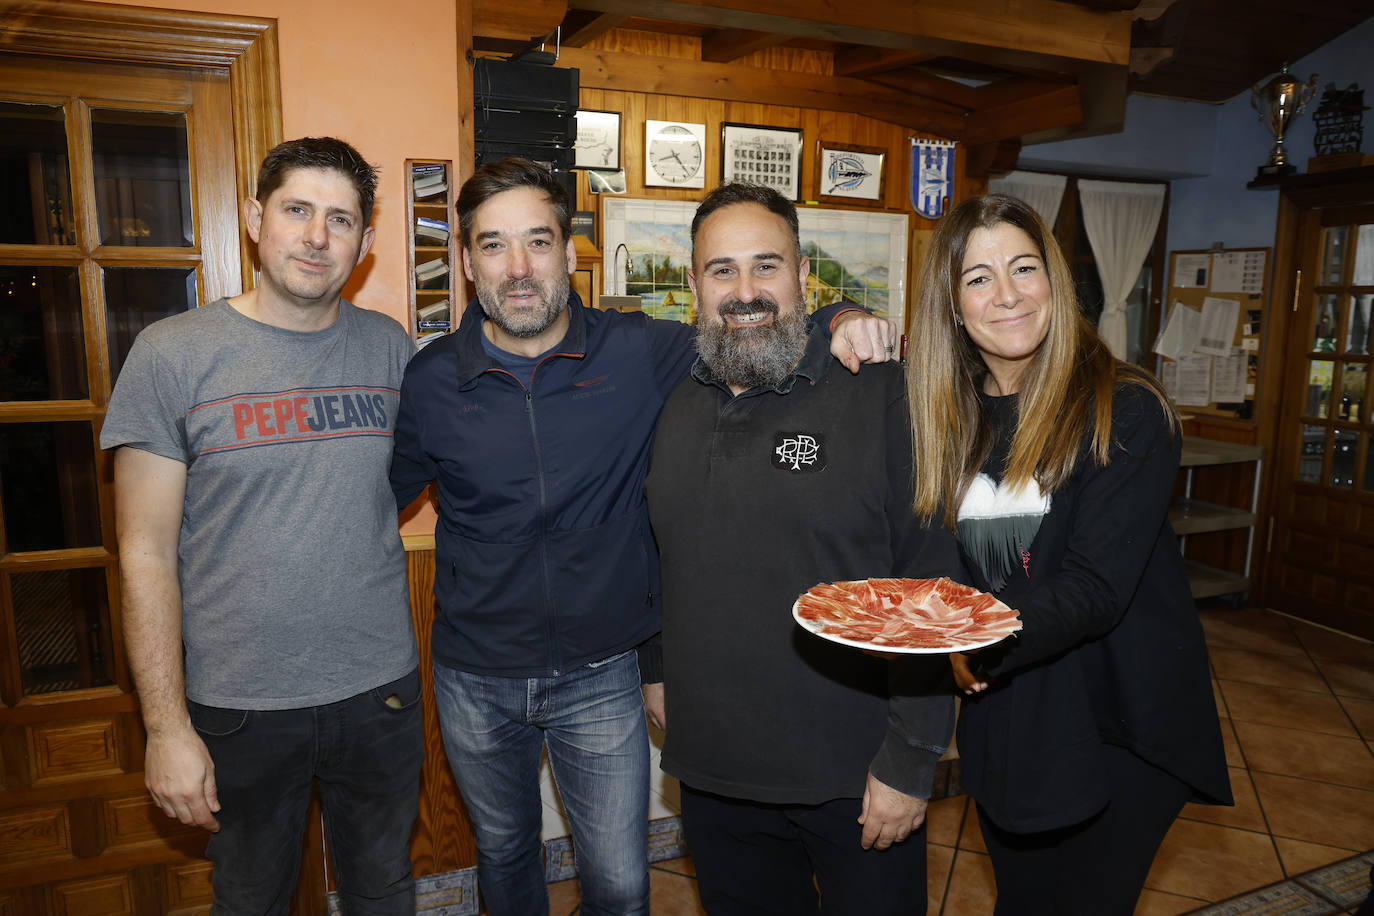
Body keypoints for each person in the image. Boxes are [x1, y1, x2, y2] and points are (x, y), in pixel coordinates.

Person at [389, 158, 894, 916]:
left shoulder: (640, 352)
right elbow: (381, 498)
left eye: (538, 241)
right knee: (502, 855)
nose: (519, 268)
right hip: (476, 675)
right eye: (494, 246)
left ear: (568, 250)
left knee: (623, 885)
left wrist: (840, 315)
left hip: (601, 672)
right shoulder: (430, 380)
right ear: (466, 262)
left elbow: (750, 319)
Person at [102, 137, 423, 915]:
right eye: (297, 210)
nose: (317, 236)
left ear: (366, 243)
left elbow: (406, 486)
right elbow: (142, 552)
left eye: (340, 219)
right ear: (255, 218)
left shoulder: (390, 350)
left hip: (378, 693)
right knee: (249, 901)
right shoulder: (171, 355)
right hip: (238, 707)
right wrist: (166, 728)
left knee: (384, 892)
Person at [905, 193, 1232, 914]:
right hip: (1012, 720)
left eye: (1025, 268)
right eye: (979, 278)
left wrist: (969, 641)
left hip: (1115, 722)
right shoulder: (952, 420)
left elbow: (1092, 587)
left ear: (1054, 281)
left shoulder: (1127, 408)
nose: (1009, 294)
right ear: (952, 307)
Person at [643, 183, 961, 915]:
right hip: (717, 774)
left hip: (856, 776)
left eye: (767, 266)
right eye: (722, 270)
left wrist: (912, 762)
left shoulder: (880, 392)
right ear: (693, 285)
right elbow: (657, 553)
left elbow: (930, 579)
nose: (745, 291)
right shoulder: (672, 402)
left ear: (804, 277)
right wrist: (656, 668)